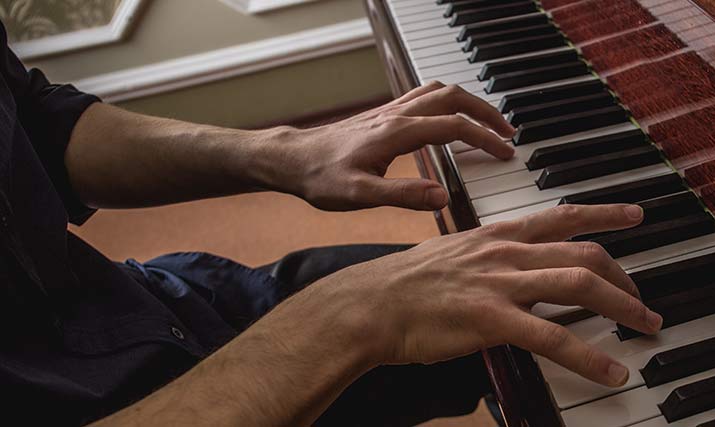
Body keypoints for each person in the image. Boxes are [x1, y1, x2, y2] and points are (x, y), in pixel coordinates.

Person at [1, 22, 662, 426]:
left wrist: (280, 151)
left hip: (150, 305)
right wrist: (346, 316)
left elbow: (31, 119)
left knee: (535, 301)